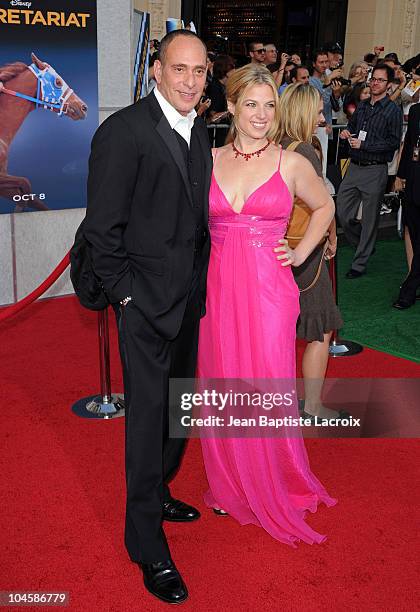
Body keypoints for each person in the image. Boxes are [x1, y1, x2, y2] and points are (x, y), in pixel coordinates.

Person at [83, 30, 211, 605]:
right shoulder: (123, 131)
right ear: (156, 70)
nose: (189, 81)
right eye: (179, 69)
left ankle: (159, 492)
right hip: (143, 305)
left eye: (199, 71)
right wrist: (127, 298)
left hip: (188, 300)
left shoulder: (201, 130)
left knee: (179, 409)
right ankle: (145, 544)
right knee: (146, 421)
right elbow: (102, 230)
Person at [197, 64, 337, 544]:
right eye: (251, 104)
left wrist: (300, 252)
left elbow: (325, 207)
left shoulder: (291, 161)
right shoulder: (209, 158)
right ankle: (230, 482)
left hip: (269, 291)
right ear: (231, 106)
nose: (261, 115)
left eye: (269, 105)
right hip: (217, 288)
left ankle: (273, 478)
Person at [278, 83, 344, 421]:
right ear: (303, 112)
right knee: (321, 327)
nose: (322, 117)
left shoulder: (274, 145)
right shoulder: (303, 149)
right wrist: (330, 237)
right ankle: (313, 406)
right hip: (304, 250)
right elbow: (323, 205)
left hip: (278, 247)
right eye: (318, 111)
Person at [336, 64, 403, 278]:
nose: (375, 83)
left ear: (389, 85)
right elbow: (353, 129)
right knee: (343, 213)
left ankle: (360, 262)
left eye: (381, 80)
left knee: (370, 218)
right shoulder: (363, 106)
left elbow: (393, 143)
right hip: (354, 167)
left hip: (375, 170)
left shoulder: (393, 111)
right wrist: (347, 133)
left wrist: (365, 146)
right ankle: (365, 243)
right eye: (374, 79)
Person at [393, 102, 420, 309]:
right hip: (413, 182)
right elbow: (410, 143)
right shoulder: (415, 110)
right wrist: (400, 176)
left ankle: (409, 290)